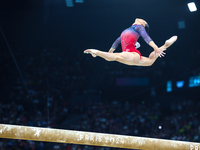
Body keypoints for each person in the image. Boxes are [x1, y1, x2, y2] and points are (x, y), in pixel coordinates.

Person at [84, 18, 177, 66]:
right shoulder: (128, 30)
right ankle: (165, 45)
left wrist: (155, 48)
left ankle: (96, 52)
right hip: (131, 57)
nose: (141, 19)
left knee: (115, 56)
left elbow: (146, 37)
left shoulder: (138, 27)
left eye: (143, 21)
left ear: (143, 24)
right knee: (150, 61)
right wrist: (109, 53)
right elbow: (115, 43)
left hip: (132, 55)